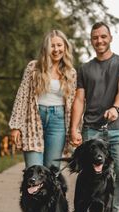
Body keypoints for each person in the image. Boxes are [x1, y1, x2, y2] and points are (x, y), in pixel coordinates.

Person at [70, 22, 119, 212]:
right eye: (95, 37)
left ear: (110, 38)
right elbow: (79, 99)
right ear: (91, 40)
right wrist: (74, 129)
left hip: (117, 129)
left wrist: (115, 107)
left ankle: (113, 210)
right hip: (91, 130)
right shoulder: (85, 68)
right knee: (89, 177)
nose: (100, 41)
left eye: (103, 37)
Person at [9, 30, 76, 169]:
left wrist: (75, 129)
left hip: (58, 122)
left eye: (59, 45)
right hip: (33, 119)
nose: (56, 49)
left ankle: (50, 192)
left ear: (65, 47)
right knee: (33, 170)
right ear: (46, 48)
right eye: (52, 46)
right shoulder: (33, 67)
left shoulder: (71, 73)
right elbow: (22, 96)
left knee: (51, 171)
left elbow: (74, 103)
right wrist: (16, 126)